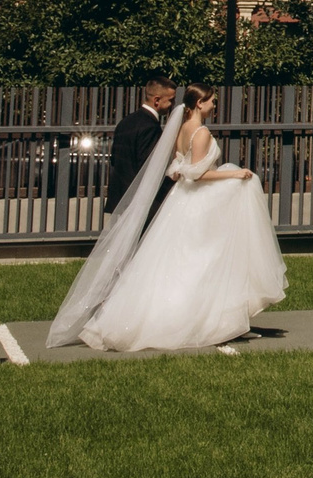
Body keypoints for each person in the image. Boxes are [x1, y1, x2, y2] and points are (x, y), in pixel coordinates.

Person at [47, 86, 287, 352]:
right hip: (197, 203)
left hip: (181, 202)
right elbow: (196, 175)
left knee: (179, 262)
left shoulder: (182, 130)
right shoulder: (201, 132)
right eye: (211, 101)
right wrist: (235, 174)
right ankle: (204, 320)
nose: (214, 106)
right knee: (203, 262)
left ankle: (209, 318)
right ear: (199, 104)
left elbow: (178, 169)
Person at [104, 78, 176, 217]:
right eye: (170, 100)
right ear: (157, 100)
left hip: (121, 196)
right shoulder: (150, 127)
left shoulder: (126, 121)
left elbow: (114, 159)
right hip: (139, 200)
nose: (172, 105)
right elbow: (150, 166)